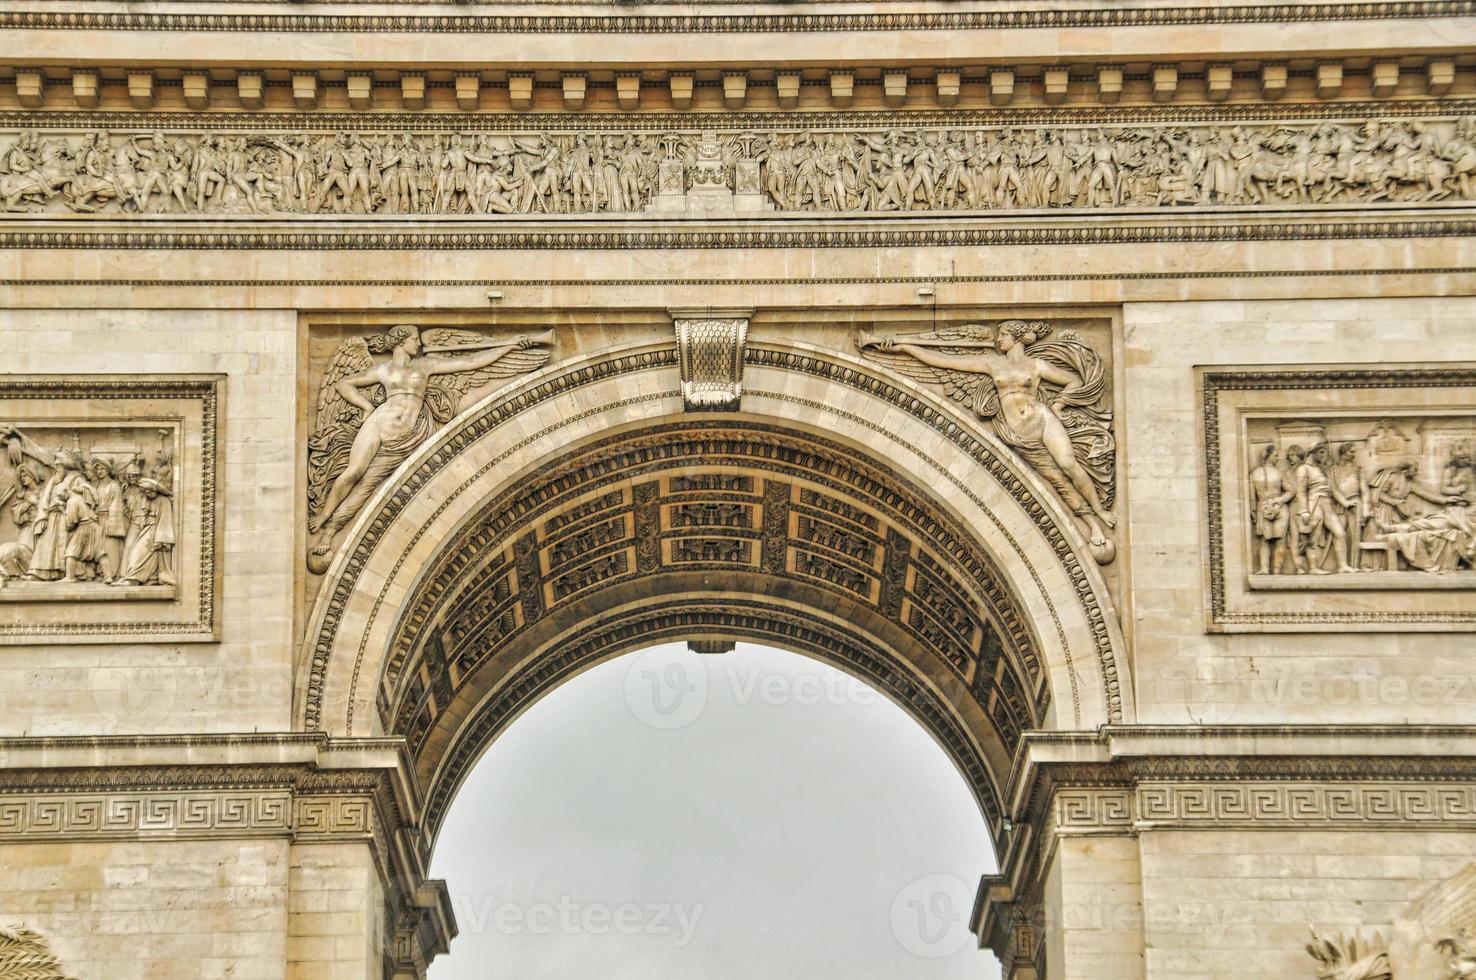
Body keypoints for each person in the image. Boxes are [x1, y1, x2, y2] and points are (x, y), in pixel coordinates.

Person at [116, 478, 174, 586]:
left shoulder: (163, 501)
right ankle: (144, 577)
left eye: (149, 492)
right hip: (146, 529)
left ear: (155, 490)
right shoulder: (147, 499)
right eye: (145, 492)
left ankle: (133, 579)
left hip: (155, 532)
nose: (147, 494)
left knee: (138, 553)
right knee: (136, 553)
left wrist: (159, 538)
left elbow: (165, 520)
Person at [1249, 445, 1294, 574]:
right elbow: (1291, 491)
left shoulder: (1257, 473)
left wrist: (1278, 501)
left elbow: (1292, 491)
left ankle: (1272, 569)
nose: (1277, 458)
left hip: (1269, 506)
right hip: (1271, 506)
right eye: (1275, 455)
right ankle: (1269, 569)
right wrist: (1279, 501)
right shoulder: (1277, 473)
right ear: (1268, 456)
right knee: (1269, 539)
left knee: (1272, 540)